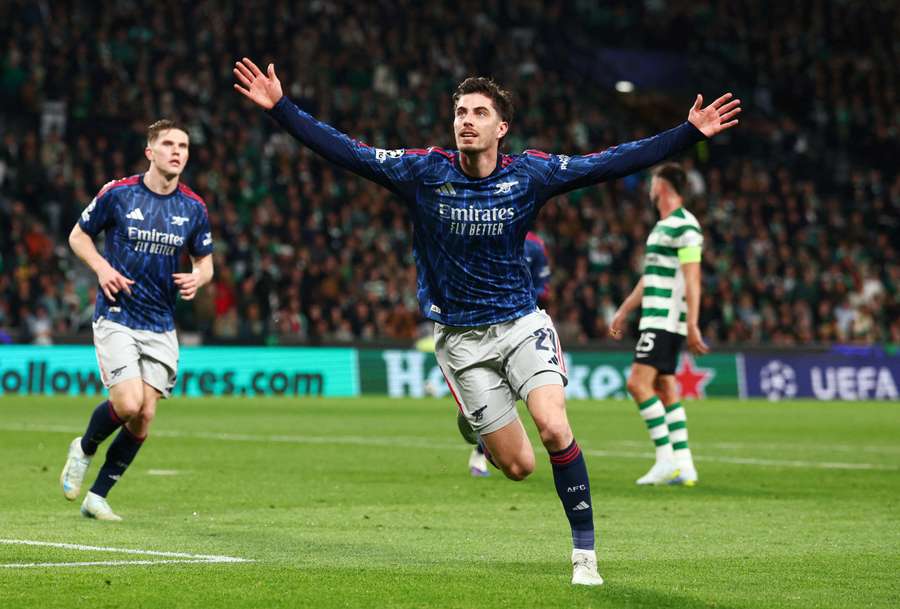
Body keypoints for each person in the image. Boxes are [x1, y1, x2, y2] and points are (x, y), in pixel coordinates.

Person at [234, 57, 739, 585]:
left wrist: (686, 134)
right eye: (459, 111)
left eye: (479, 112)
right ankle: (473, 421)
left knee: (553, 425)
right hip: (460, 341)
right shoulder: (423, 171)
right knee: (518, 466)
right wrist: (282, 109)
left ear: (502, 127)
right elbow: (348, 152)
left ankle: (584, 555)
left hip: (521, 323)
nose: (466, 120)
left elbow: (607, 162)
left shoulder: (531, 174)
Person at [59, 120, 214, 521]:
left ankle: (97, 497)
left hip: (161, 322)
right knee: (127, 403)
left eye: (183, 145)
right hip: (118, 313)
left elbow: (206, 263)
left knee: (144, 416)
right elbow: (78, 236)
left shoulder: (193, 207)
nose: (177, 151)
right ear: (150, 152)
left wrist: (198, 278)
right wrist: (101, 268)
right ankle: (84, 449)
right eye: (168, 144)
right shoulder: (119, 194)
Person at [609, 163, 708, 486]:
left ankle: (665, 459)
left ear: (663, 186)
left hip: (665, 319)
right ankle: (685, 464)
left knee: (637, 385)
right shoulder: (663, 227)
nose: (650, 187)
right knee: (665, 388)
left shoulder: (685, 226)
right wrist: (624, 310)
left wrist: (692, 323)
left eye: (653, 181)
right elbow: (650, 278)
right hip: (656, 316)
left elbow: (693, 277)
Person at [465, 230, 550, 477]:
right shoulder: (484, 232)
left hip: (523, 325)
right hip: (484, 327)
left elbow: (543, 286)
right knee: (502, 392)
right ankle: (482, 449)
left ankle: (483, 446)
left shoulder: (535, 245)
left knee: (521, 393)